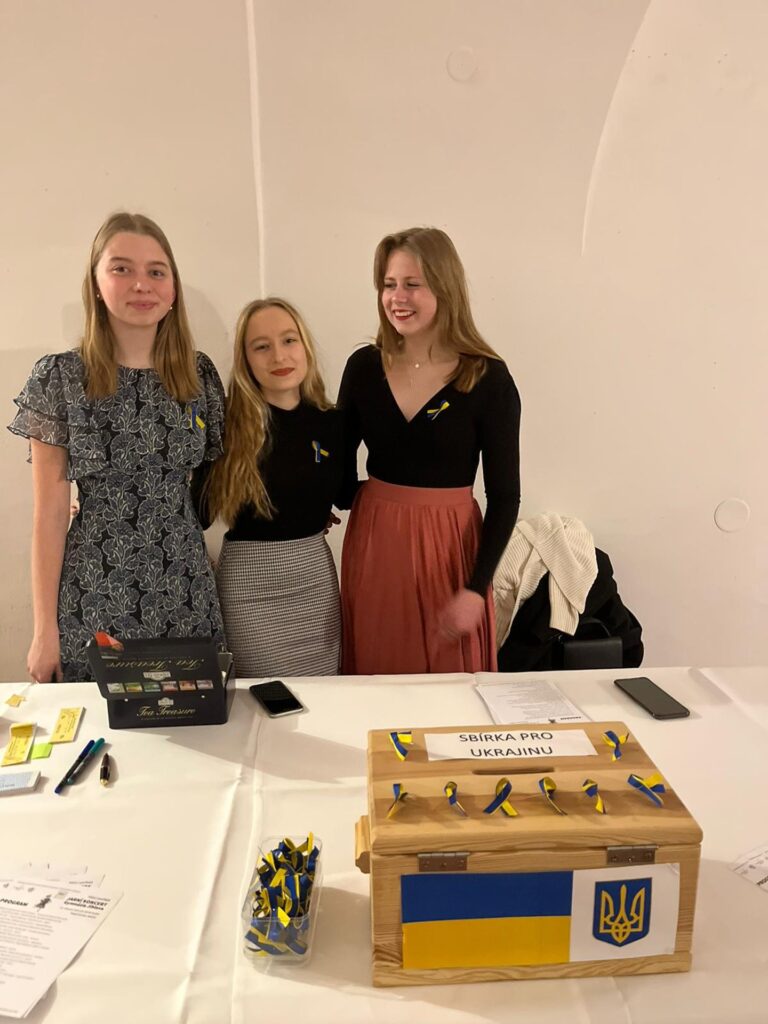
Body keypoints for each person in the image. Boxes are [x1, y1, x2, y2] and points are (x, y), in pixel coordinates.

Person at [8, 212, 225, 682]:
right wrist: (44, 631)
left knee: (194, 716)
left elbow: (211, 486)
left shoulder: (199, 375)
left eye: (156, 271)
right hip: (96, 592)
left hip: (185, 588)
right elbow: (49, 515)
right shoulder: (61, 378)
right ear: (96, 282)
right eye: (122, 268)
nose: (141, 284)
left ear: (173, 287)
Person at [338, 226, 521, 674]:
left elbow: (504, 497)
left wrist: (476, 588)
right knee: (377, 673)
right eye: (389, 284)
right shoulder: (363, 367)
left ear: (445, 287)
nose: (397, 297)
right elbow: (335, 461)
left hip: (449, 549)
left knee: (448, 687)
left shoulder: (487, 379)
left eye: (412, 284)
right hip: (376, 545)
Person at [193, 298, 343, 677]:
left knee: (323, 698)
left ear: (305, 346)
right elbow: (198, 513)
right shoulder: (226, 422)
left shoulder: (331, 421)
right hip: (249, 589)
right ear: (245, 359)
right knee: (265, 699)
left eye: (289, 340)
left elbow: (343, 494)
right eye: (261, 346)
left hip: (316, 583)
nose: (279, 355)